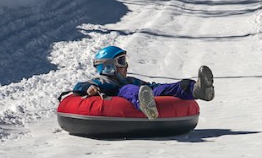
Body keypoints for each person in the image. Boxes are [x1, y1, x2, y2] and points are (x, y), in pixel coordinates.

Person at [69, 45, 214, 120]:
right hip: (120, 94)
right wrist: (90, 88)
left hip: (139, 89)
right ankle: (145, 105)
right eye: (121, 61)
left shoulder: (129, 79)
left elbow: (151, 87)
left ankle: (196, 89)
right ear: (108, 66)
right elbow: (79, 86)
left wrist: (176, 86)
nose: (125, 66)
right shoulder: (101, 81)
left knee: (156, 88)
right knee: (129, 89)